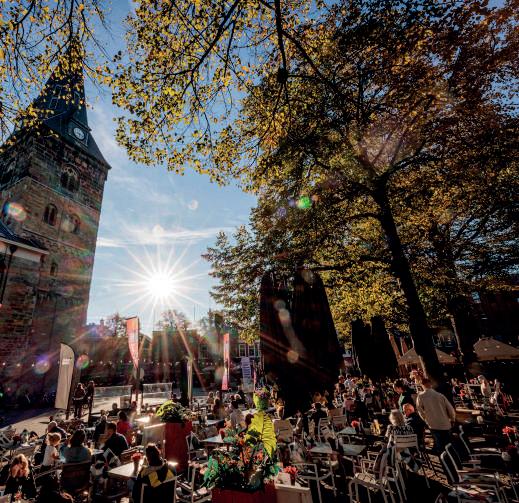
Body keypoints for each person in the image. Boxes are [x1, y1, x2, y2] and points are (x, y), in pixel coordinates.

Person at [416, 378, 456, 454]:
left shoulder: (420, 396)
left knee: (439, 446)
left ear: (422, 385)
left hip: (433, 424)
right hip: (445, 423)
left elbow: (420, 411)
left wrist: (426, 420)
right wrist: (452, 419)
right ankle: (452, 458)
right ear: (430, 384)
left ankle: (443, 459)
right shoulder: (440, 395)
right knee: (449, 445)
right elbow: (450, 409)